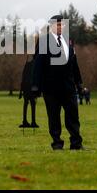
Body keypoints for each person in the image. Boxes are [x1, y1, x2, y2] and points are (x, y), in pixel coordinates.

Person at [32, 15, 85, 150]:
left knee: (73, 117)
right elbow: (38, 65)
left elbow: (74, 64)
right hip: (51, 88)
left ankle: (76, 144)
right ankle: (57, 143)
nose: (61, 27)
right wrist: (35, 86)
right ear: (52, 26)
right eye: (58, 25)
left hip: (69, 87)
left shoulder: (69, 41)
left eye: (63, 25)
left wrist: (78, 83)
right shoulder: (44, 41)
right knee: (54, 117)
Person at [18, 56, 38, 128]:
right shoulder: (35, 66)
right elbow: (36, 78)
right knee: (33, 104)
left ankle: (25, 121)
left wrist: (21, 91)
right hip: (31, 87)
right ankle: (32, 122)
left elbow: (23, 78)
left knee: (26, 104)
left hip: (26, 87)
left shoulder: (27, 65)